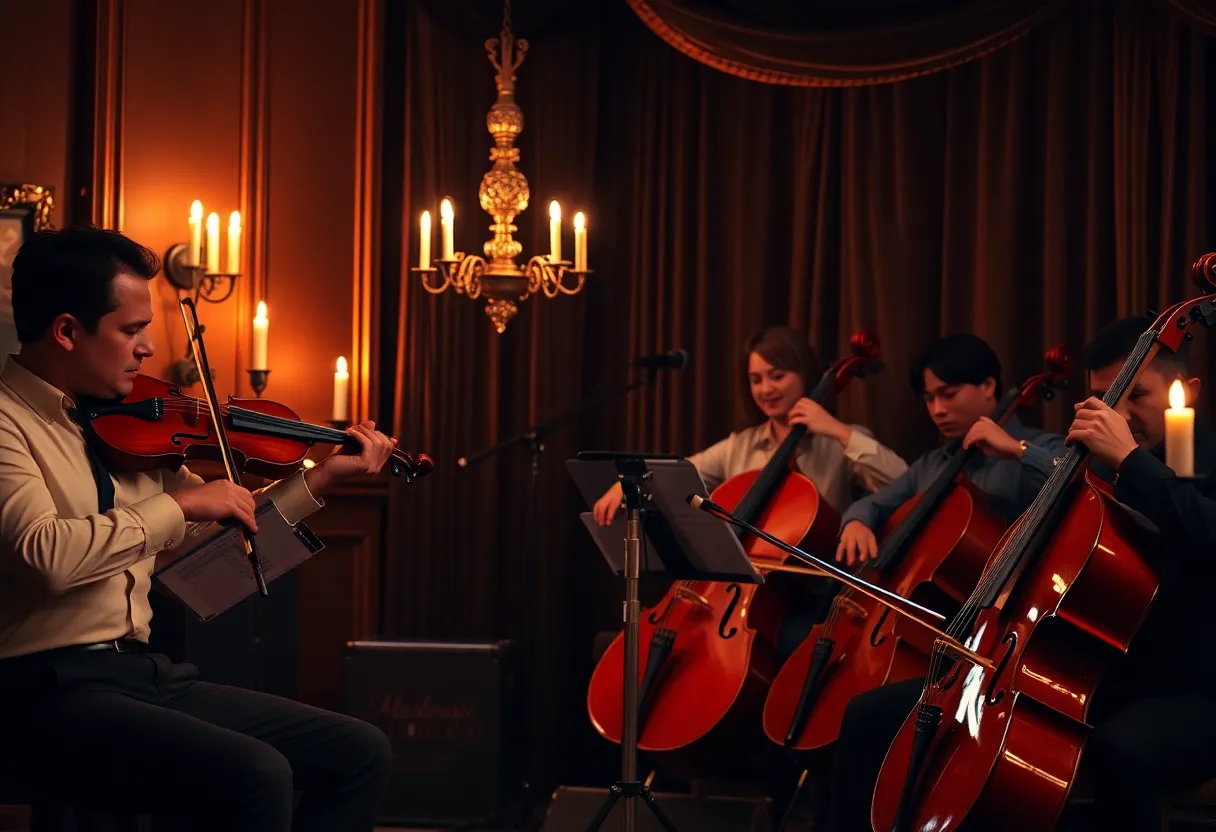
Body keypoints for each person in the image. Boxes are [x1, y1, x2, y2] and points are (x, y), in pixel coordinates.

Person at [0, 227, 396, 831]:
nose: (148, 350)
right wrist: (181, 506)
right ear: (66, 330)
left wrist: (322, 480)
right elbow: (44, 555)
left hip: (139, 673)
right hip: (40, 689)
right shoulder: (7, 423)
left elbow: (215, 546)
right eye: (131, 330)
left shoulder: (123, 424)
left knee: (358, 751)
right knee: (257, 774)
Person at [821, 317, 1216, 832]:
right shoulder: (1097, 471)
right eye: (1105, 399)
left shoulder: (1188, 463)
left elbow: (1200, 528)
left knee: (1120, 750)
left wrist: (1132, 460)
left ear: (1185, 391)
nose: (1120, 415)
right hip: (1088, 672)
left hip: (1190, 688)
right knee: (869, 717)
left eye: (1135, 395)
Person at [822, 332, 1067, 831]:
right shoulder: (933, 465)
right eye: (930, 398)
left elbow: (1088, 480)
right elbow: (876, 502)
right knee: (861, 716)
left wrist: (1016, 449)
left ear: (989, 387)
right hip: (949, 640)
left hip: (1017, 647)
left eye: (949, 394)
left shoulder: (1036, 447)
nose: (937, 409)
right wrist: (856, 520)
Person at [593, 324, 908, 527]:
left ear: (805, 374)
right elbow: (681, 472)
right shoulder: (740, 446)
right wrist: (629, 482)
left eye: (777, 375)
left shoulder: (841, 441)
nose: (766, 389)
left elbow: (902, 484)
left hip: (818, 596)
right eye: (756, 379)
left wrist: (837, 430)